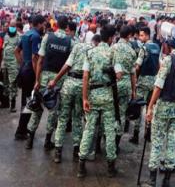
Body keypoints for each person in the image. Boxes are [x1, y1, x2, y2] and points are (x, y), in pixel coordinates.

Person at [144, 26, 175, 187]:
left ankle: (152, 180)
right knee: (172, 142)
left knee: (157, 140)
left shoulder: (168, 60)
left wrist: (150, 107)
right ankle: (166, 180)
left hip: (164, 106)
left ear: (170, 43)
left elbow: (158, 86)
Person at [26, 16, 73, 150]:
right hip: (59, 79)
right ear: (67, 27)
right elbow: (69, 65)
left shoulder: (47, 37)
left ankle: (30, 139)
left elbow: (40, 60)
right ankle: (47, 141)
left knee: (37, 107)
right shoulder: (70, 42)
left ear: (57, 24)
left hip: (44, 76)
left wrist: (37, 80)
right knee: (53, 111)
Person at [78, 25, 117, 178]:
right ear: (110, 38)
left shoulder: (90, 52)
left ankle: (81, 165)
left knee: (89, 129)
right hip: (107, 96)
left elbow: (85, 77)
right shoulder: (112, 53)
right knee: (109, 130)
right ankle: (110, 167)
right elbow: (119, 74)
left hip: (93, 96)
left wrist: (85, 98)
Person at [48, 26, 92, 163]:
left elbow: (67, 65)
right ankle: (75, 150)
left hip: (69, 84)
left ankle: (58, 151)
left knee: (62, 118)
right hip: (82, 87)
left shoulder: (77, 47)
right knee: (77, 118)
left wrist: (55, 80)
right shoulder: (94, 51)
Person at [14, 15, 45, 140]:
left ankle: (22, 129)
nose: (44, 27)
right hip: (30, 72)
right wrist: (37, 78)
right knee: (29, 102)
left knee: (25, 101)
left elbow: (16, 51)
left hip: (24, 70)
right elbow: (34, 58)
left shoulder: (26, 34)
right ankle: (21, 131)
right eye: (43, 24)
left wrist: (22, 64)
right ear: (39, 24)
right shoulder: (36, 36)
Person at [131, 27, 160, 145]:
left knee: (139, 107)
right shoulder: (157, 47)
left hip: (143, 81)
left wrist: (134, 77)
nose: (140, 37)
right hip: (153, 81)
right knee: (150, 107)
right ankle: (148, 133)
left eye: (142, 35)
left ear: (147, 35)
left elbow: (137, 66)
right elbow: (158, 65)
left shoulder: (144, 48)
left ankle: (136, 135)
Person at [111, 25, 137, 151]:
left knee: (108, 112)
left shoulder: (113, 48)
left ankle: (104, 141)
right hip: (125, 84)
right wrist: (133, 91)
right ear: (129, 36)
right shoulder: (131, 51)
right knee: (121, 114)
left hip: (113, 84)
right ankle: (115, 144)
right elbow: (133, 73)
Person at [1, 20, 21, 112]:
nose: (12, 28)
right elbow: (3, 50)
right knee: (5, 84)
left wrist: (20, 64)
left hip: (14, 64)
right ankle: (6, 103)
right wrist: (2, 62)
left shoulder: (19, 37)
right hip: (5, 64)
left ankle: (12, 105)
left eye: (13, 26)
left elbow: (20, 52)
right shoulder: (6, 36)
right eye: (11, 26)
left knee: (13, 85)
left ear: (16, 27)